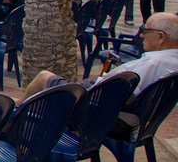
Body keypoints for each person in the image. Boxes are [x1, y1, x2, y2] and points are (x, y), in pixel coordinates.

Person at [24, 12, 178, 98]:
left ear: (160, 37)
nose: (142, 35)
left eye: (145, 30)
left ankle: (13, 112)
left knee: (43, 76)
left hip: (92, 101)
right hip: (101, 98)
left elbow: (122, 95)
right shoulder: (171, 61)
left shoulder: (153, 63)